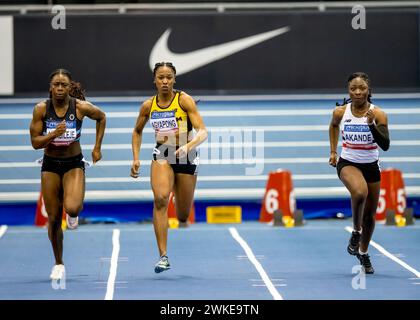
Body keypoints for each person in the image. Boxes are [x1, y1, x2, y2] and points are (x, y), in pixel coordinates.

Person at [131, 62, 208, 273]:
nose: (165, 81)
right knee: (160, 199)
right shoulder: (148, 106)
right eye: (161, 77)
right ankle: (163, 256)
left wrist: (188, 146)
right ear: (154, 80)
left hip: (187, 156)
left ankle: (176, 185)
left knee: (182, 215)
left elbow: (203, 131)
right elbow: (137, 131)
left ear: (174, 79)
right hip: (162, 154)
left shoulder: (184, 100)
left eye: (169, 77)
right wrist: (136, 157)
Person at [29, 69, 106, 280]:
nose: (60, 88)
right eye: (56, 84)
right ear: (50, 87)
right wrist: (53, 134)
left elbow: (101, 117)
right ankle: (59, 263)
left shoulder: (79, 107)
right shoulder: (41, 109)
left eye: (64, 84)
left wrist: (97, 148)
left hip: (73, 163)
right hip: (50, 164)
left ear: (70, 87)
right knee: (53, 218)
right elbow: (35, 143)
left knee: (72, 207)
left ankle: (72, 209)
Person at [329, 72, 390, 274]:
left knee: (370, 217)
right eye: (353, 88)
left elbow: (385, 145)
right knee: (359, 192)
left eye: (361, 88)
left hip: (371, 165)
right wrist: (333, 151)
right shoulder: (340, 112)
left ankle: (363, 253)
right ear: (348, 90)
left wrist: (371, 125)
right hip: (348, 162)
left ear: (368, 90)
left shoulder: (378, 114)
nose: (357, 92)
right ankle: (356, 232)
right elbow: (333, 126)